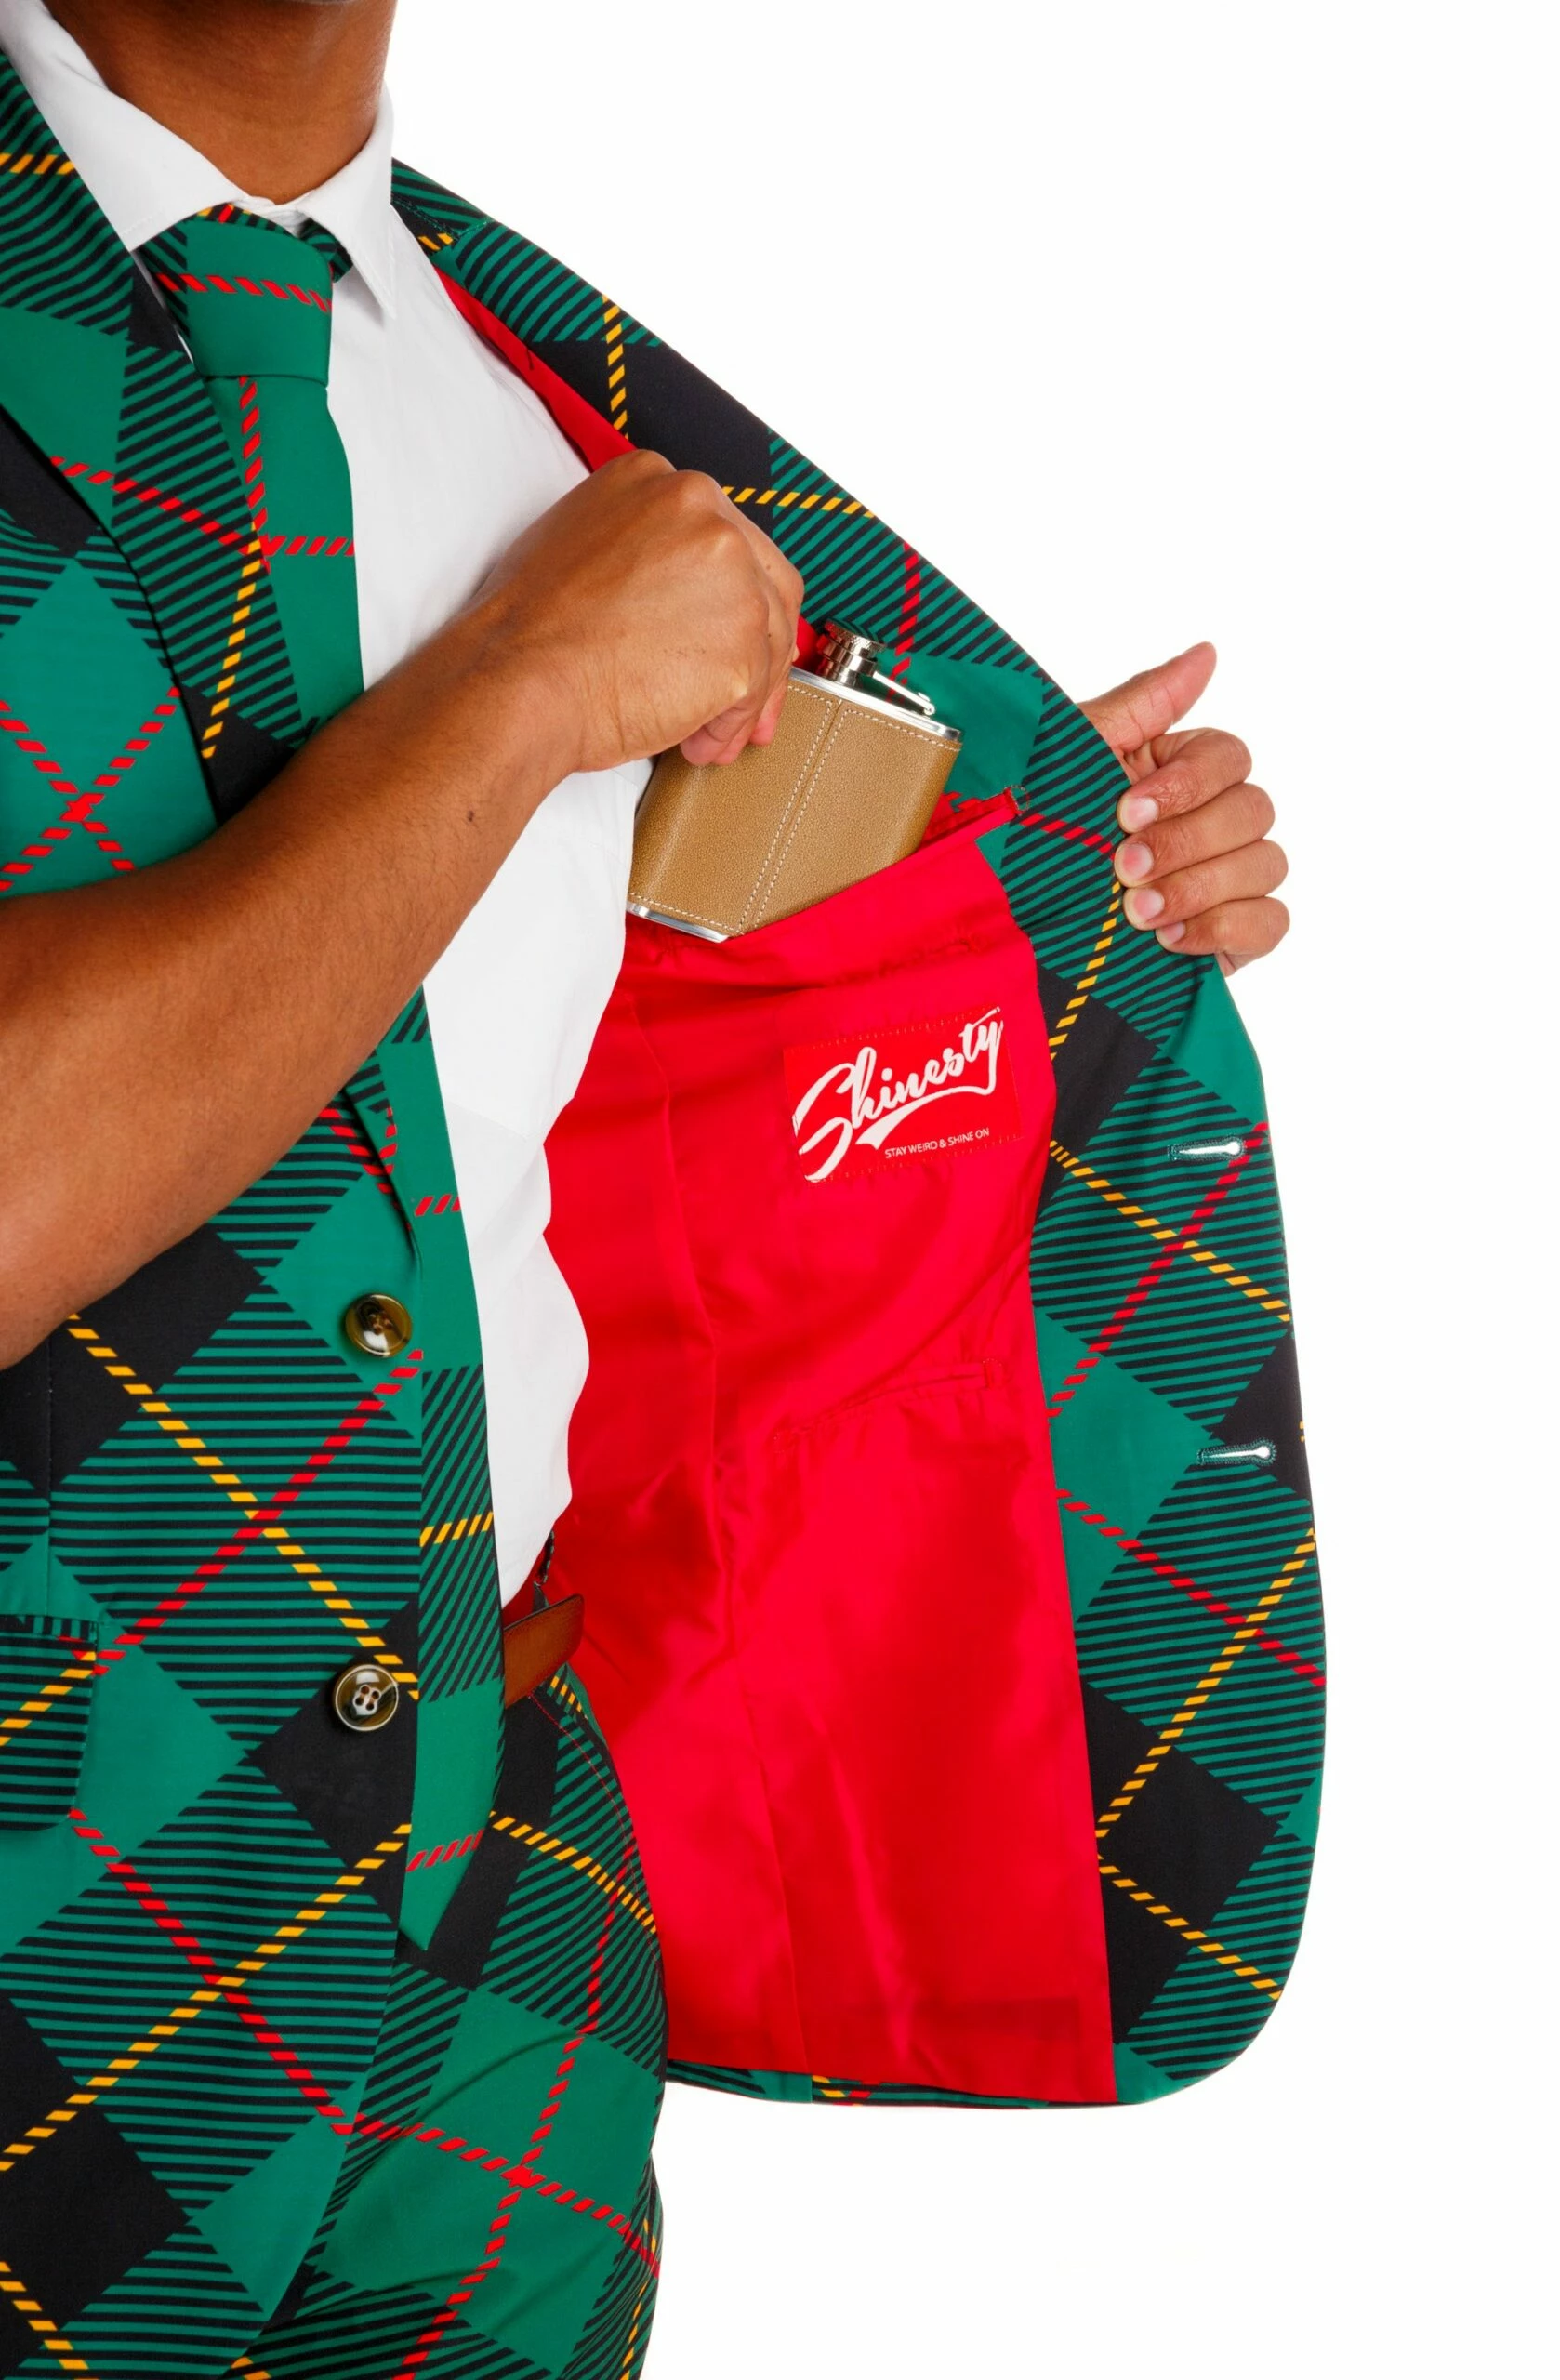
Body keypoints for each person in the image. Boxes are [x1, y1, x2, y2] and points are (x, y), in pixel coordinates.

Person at [0, 4, 1314, 2377]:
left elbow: (559, 1082)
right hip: (49, 1910)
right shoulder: (573, 565)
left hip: (505, 1914)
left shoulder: (542, 418)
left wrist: (1026, 886)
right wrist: (515, 682)